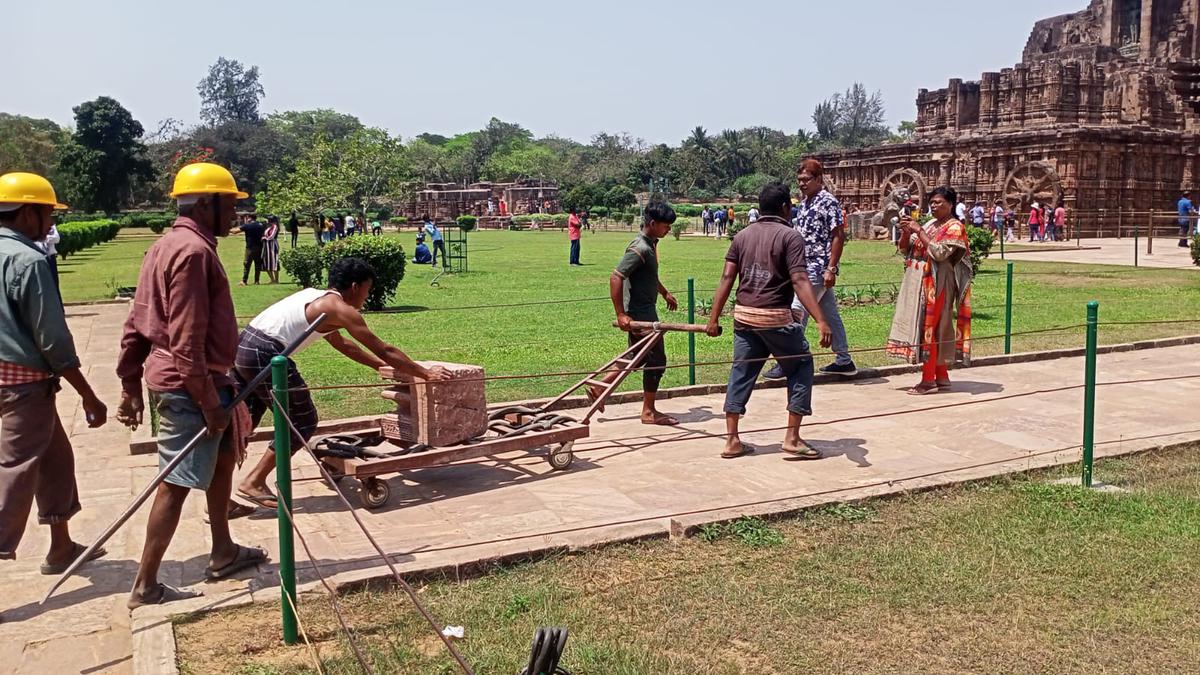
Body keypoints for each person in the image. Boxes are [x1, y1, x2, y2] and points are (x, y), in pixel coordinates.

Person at [115, 163, 267, 608]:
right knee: (176, 482)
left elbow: (136, 322)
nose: (236, 214)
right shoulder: (193, 254)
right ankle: (145, 585)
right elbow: (184, 340)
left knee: (221, 461)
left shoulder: (165, 246)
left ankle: (222, 550)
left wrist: (129, 380)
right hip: (188, 385)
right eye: (230, 204)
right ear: (205, 204)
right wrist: (208, 402)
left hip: (196, 380)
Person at [232, 257, 448, 508]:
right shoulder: (341, 309)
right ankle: (254, 481)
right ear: (355, 287)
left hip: (243, 347)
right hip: (264, 353)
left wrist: (379, 367)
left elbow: (342, 344)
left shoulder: (317, 297)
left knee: (243, 422)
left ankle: (218, 497)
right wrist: (425, 373)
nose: (366, 298)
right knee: (301, 419)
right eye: (367, 291)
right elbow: (384, 349)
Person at [0, 172, 108, 580]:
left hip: (9, 377)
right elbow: (53, 339)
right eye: (48, 213)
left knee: (56, 457)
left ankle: (61, 546)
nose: (51, 223)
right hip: (22, 384)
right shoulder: (28, 260)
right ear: (28, 212)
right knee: (14, 471)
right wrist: (89, 395)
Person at [704, 183, 832, 460]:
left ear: (760, 207)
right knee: (801, 365)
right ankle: (792, 438)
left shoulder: (742, 235)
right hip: (774, 316)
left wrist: (713, 319)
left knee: (741, 372)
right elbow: (799, 279)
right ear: (787, 207)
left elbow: (727, 278)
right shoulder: (791, 236)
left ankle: (732, 440)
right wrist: (821, 320)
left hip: (744, 316)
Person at [586, 202, 680, 426]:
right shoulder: (640, 248)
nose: (669, 230)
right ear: (653, 223)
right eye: (666, 226)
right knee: (657, 360)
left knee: (637, 356)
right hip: (640, 314)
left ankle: (600, 388)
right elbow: (616, 277)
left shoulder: (650, 245)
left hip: (646, 309)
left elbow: (648, 276)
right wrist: (621, 314)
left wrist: (665, 293)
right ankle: (648, 412)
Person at [764, 159, 856, 380]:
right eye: (800, 180)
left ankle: (788, 360)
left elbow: (838, 236)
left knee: (797, 310)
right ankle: (844, 360)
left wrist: (831, 268)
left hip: (818, 266)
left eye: (806, 179)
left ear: (818, 179)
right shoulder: (805, 203)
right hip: (803, 266)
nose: (802, 184)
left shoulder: (828, 202)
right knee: (829, 314)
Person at [886, 186, 973, 395]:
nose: (934, 206)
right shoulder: (931, 223)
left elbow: (940, 252)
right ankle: (941, 376)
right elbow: (907, 249)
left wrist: (919, 231)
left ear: (950, 204)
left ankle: (928, 380)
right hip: (919, 279)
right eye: (932, 202)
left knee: (931, 327)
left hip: (938, 280)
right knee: (933, 326)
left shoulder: (955, 227)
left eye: (939, 202)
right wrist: (907, 232)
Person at [232, 213, 265, 286]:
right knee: (257, 264)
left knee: (247, 264)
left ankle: (244, 281)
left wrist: (225, 229)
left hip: (250, 247)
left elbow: (235, 231)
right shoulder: (261, 225)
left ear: (249, 218)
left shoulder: (247, 225)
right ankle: (257, 281)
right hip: (259, 247)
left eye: (246, 218)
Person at [261, 216, 281, 284]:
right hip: (266, 246)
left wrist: (264, 238)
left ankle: (276, 280)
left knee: (274, 262)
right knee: (266, 262)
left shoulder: (275, 226)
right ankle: (272, 279)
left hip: (272, 246)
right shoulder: (268, 227)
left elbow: (272, 236)